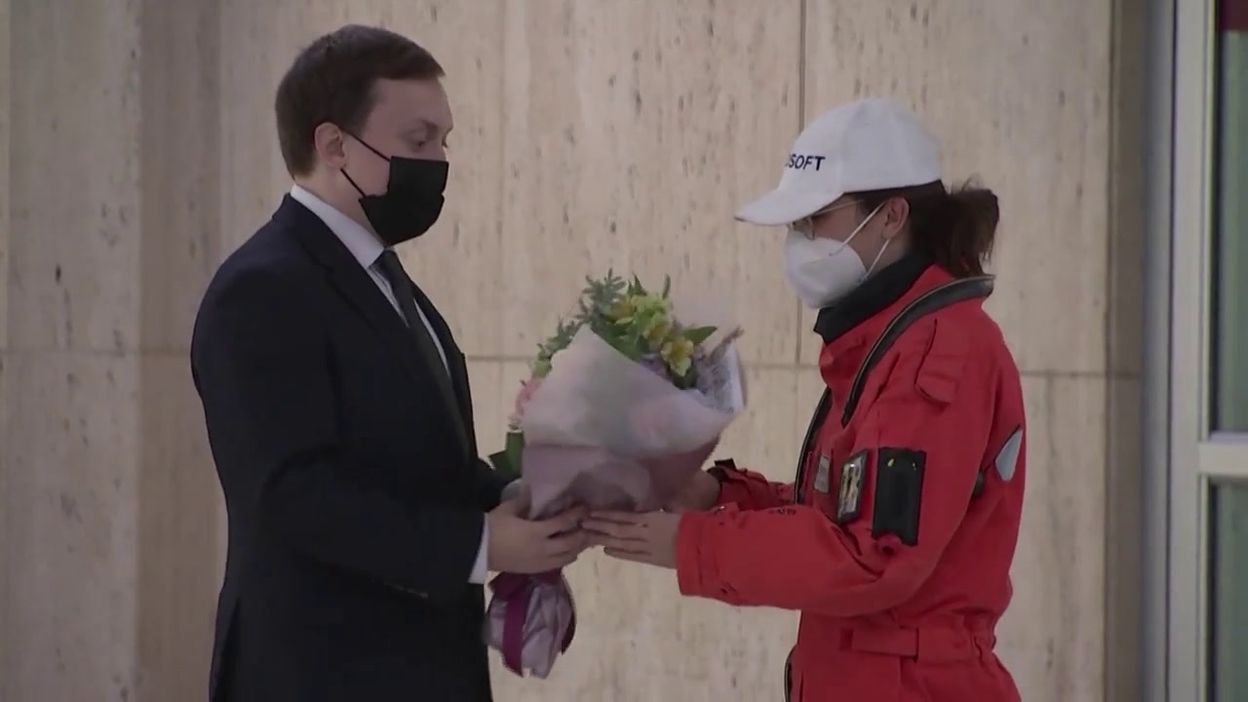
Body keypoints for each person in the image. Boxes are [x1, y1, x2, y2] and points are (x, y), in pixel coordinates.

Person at [190, 25, 587, 702]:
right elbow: (291, 496)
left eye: (443, 141)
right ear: (334, 145)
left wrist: (521, 497)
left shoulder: (391, 283)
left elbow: (420, 466)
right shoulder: (261, 289)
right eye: (417, 140)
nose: (438, 161)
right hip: (321, 672)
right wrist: (479, 545)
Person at [585, 97, 1025, 701]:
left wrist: (693, 545)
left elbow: (874, 556)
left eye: (814, 219)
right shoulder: (887, 341)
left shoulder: (936, 355)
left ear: (893, 215)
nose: (799, 241)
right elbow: (844, 509)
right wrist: (714, 496)